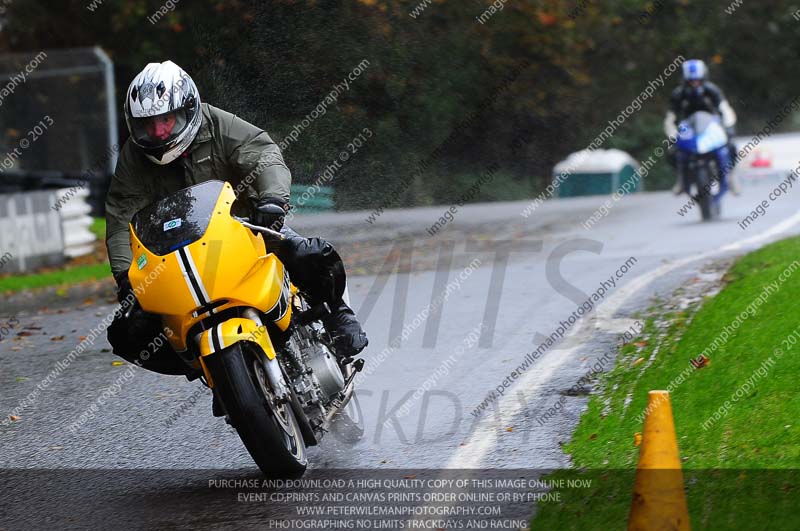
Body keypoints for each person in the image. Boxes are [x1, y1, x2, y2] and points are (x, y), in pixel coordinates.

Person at [106, 61, 368, 381]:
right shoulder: (134, 156)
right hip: (179, 253)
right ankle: (207, 367)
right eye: (148, 124)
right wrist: (125, 275)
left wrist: (271, 201)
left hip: (249, 226)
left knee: (306, 253)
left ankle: (338, 315)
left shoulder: (216, 123)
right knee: (129, 329)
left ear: (187, 108)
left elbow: (262, 154)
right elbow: (121, 215)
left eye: (166, 120)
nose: (159, 131)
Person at [664, 59, 740, 195]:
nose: (695, 83)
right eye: (691, 81)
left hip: (711, 127)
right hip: (688, 129)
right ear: (685, 80)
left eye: (697, 80)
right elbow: (671, 118)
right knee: (672, 151)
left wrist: (728, 127)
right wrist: (672, 134)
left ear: (703, 77)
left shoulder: (712, 90)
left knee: (731, 146)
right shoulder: (678, 94)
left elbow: (725, 109)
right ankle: (681, 180)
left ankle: (731, 177)